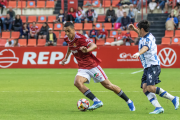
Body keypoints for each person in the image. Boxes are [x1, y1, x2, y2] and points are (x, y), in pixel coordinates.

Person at [62, 22, 135, 111]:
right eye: (65, 31)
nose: (67, 33)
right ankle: (96, 101)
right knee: (77, 82)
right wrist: (66, 58)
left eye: (68, 31)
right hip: (82, 67)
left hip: (92, 66)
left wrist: (86, 50)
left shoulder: (80, 38)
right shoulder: (67, 38)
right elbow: (70, 46)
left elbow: (94, 45)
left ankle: (129, 101)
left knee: (108, 85)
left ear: (73, 30)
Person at [129, 20, 179, 114]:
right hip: (147, 67)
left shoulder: (149, 39)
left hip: (153, 66)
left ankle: (173, 99)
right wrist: (134, 29)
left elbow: (145, 47)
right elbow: (141, 35)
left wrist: (138, 53)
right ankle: (158, 108)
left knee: (150, 88)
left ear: (142, 29)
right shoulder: (145, 35)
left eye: (139, 29)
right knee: (145, 88)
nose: (138, 31)